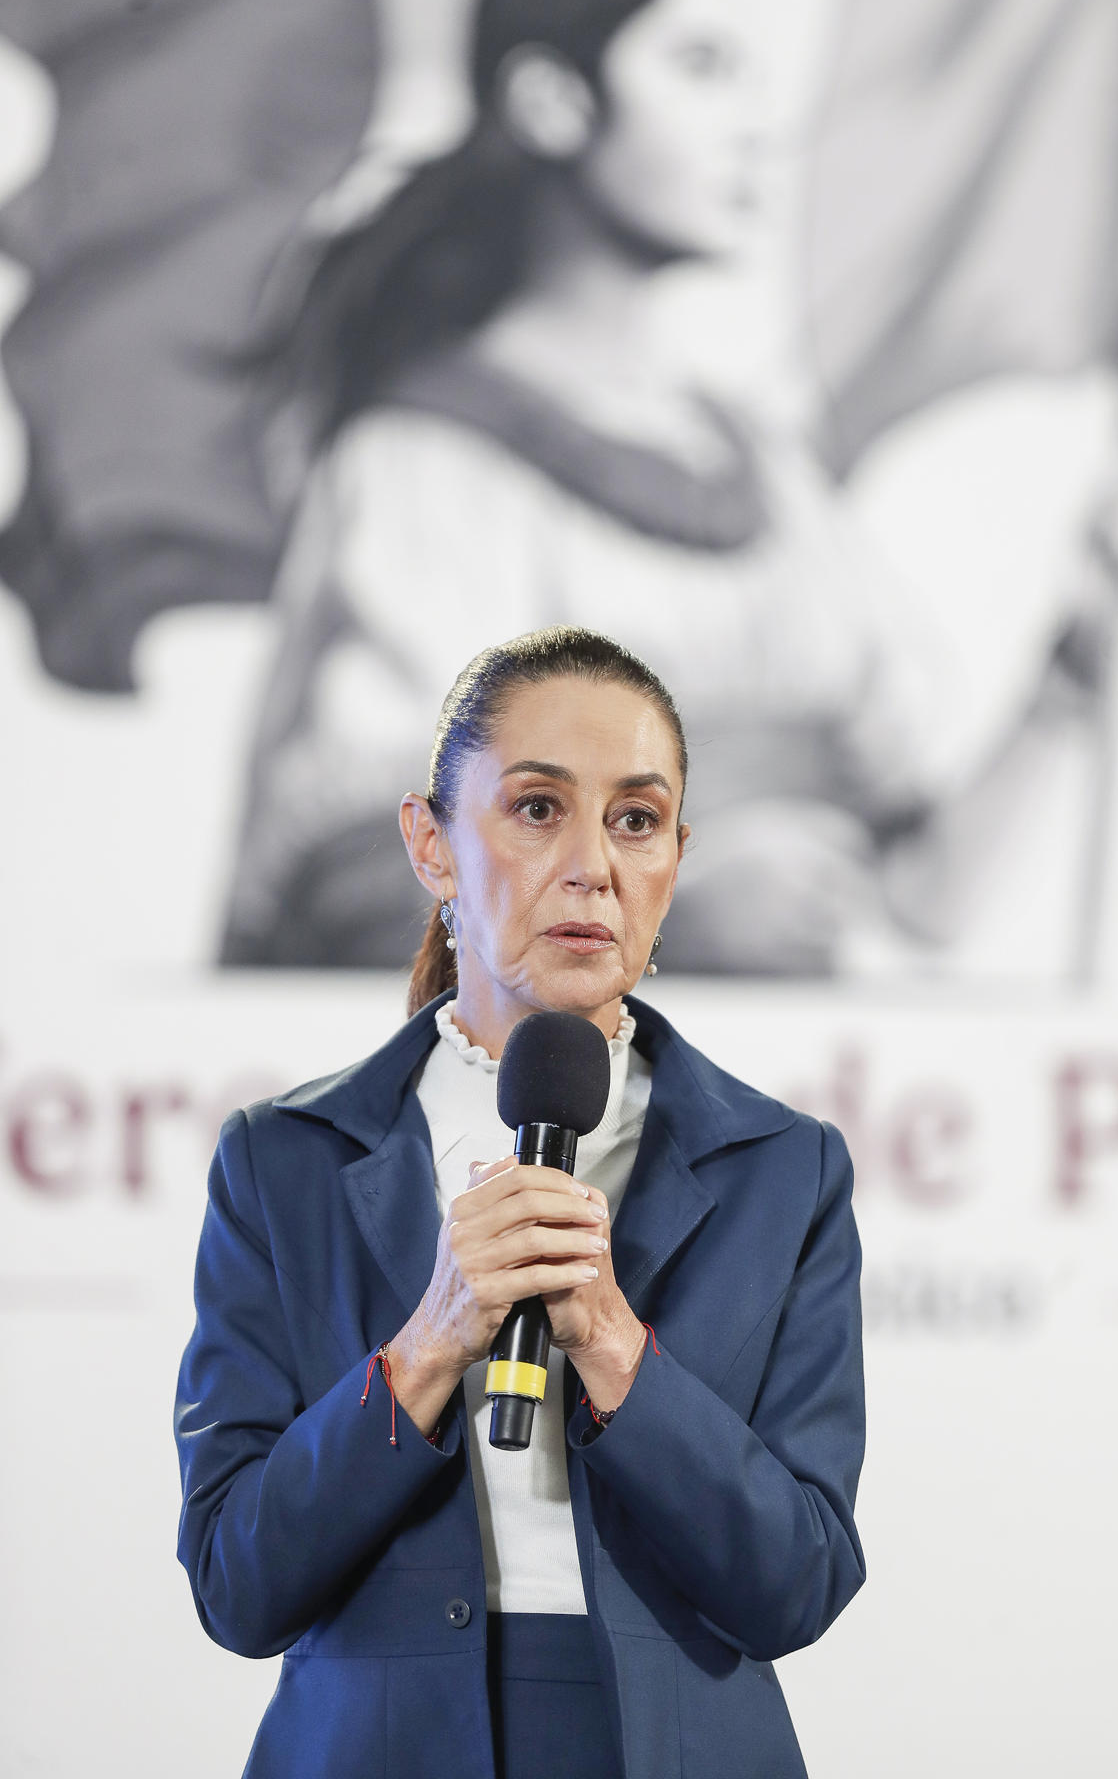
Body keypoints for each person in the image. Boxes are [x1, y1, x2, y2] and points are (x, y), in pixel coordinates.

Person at [219, 0, 1103, 981]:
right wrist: (663, 905)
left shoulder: (772, 488)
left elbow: (911, 896)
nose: (752, 123)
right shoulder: (421, 471)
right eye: (698, 65)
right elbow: (359, 900)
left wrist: (1071, 674)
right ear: (552, 102)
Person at [175, 625, 866, 1779]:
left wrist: (607, 1339)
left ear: (674, 862)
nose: (592, 864)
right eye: (538, 808)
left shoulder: (779, 1169)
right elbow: (238, 1586)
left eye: (635, 820)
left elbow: (793, 1583)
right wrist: (430, 1340)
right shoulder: (282, 1163)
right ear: (431, 843)